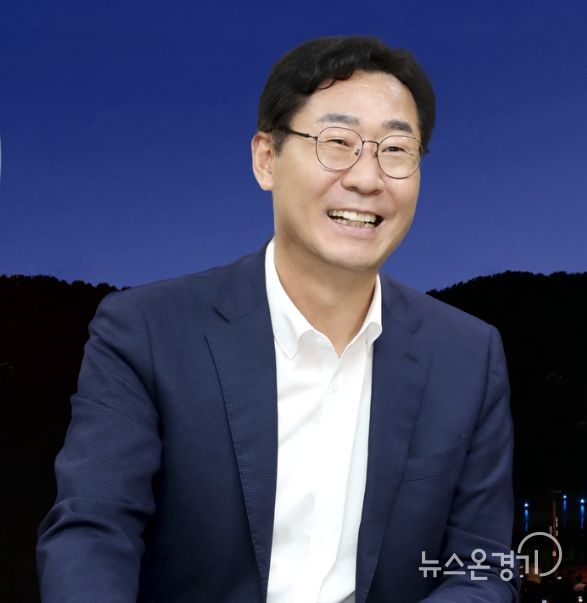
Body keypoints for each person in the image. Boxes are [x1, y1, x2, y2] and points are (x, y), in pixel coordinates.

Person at [37, 36, 517, 602]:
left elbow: (482, 568)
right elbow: (92, 533)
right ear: (266, 158)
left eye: (395, 149)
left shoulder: (468, 356)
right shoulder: (145, 333)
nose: (367, 179)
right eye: (337, 142)